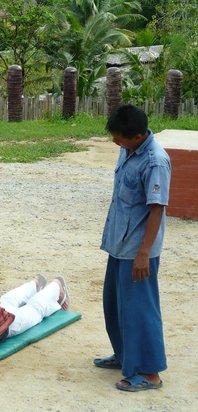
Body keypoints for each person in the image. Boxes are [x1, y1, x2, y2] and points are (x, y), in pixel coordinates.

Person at [94, 104, 170, 392]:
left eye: (119, 138)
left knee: (140, 309)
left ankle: (149, 373)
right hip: (119, 245)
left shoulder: (155, 161)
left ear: (138, 137)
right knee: (115, 305)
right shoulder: (127, 150)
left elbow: (157, 210)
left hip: (138, 251)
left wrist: (143, 255)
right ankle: (125, 356)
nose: (115, 141)